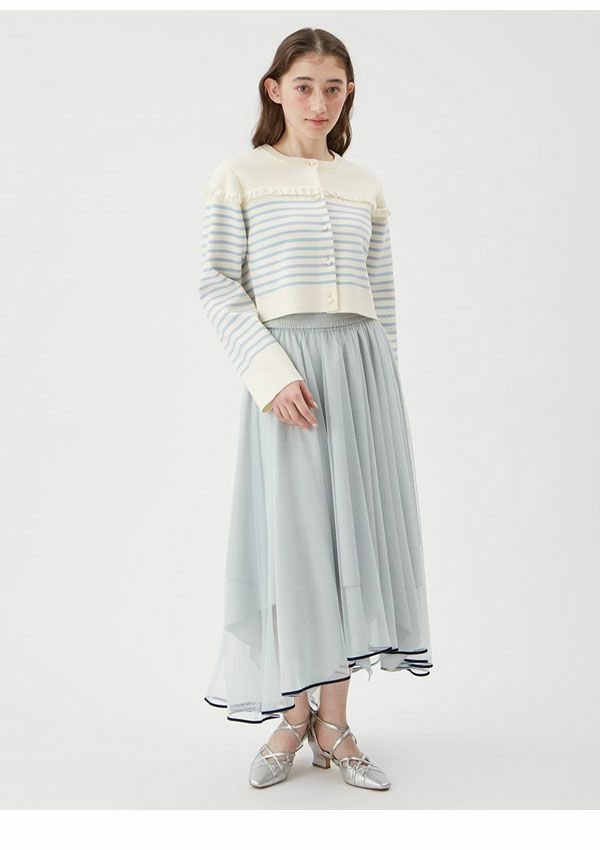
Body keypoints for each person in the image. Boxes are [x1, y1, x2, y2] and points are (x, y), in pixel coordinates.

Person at [199, 27, 433, 792]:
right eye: (304, 86)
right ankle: (292, 716)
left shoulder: (365, 184)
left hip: (362, 377)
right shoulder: (239, 175)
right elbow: (217, 283)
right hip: (288, 377)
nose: (319, 102)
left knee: (350, 548)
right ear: (275, 89)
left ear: (348, 93)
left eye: (334, 88)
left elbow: (383, 297)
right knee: (295, 545)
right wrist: (270, 375)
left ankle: (334, 726)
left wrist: (384, 388)